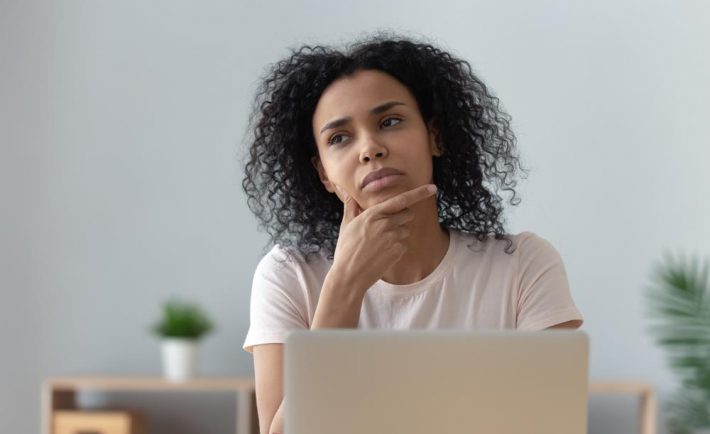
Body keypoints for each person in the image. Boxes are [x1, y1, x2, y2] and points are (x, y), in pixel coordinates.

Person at [240, 31, 584, 434]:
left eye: (390, 121)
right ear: (324, 175)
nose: (370, 148)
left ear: (434, 136)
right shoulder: (289, 275)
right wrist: (345, 286)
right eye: (339, 138)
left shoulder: (523, 265)